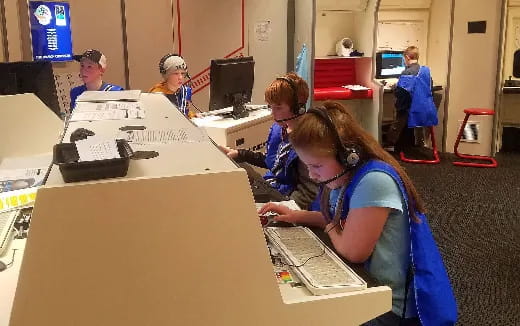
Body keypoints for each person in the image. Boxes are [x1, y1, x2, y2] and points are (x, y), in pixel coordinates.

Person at [259, 101, 457, 326]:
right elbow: (338, 218)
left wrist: (330, 226)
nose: (312, 175)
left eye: (316, 166)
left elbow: (353, 252)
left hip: (389, 306)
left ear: (347, 157)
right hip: (366, 285)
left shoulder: (374, 181)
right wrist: (297, 216)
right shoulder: (343, 176)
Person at [219, 72, 318, 209]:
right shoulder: (280, 130)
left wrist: (283, 210)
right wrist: (239, 154)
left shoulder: (308, 140)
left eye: (278, 108)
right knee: (238, 173)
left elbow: (308, 192)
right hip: (273, 188)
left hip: (291, 201)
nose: (273, 114)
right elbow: (272, 161)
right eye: (270, 107)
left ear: (299, 108)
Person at [385, 46, 438, 152]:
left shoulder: (407, 73)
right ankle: (417, 144)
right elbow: (430, 88)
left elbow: (400, 93)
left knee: (399, 117)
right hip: (427, 108)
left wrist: (394, 87)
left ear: (407, 57)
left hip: (410, 109)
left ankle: (389, 145)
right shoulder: (425, 71)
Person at [149, 53, 194, 118]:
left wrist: (192, 115)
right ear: (166, 75)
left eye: (183, 73)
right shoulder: (157, 95)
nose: (180, 77)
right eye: (176, 73)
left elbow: (184, 111)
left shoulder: (185, 91)